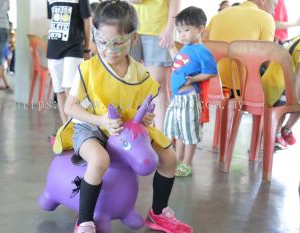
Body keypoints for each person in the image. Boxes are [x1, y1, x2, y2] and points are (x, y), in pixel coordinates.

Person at [59, 1, 193, 232]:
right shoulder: (88, 70)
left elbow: (144, 107)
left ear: (133, 38)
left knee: (169, 159)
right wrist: (101, 121)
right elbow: (71, 108)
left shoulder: (140, 72)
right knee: (99, 160)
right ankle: (84, 220)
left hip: (127, 129)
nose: (109, 49)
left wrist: (146, 120)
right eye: (102, 42)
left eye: (117, 43)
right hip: (92, 127)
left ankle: (158, 213)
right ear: (95, 36)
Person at [164, 7, 217, 177]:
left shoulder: (202, 51)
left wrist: (194, 79)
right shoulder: (186, 49)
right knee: (179, 131)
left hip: (189, 98)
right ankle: (178, 159)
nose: (182, 34)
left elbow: (212, 72)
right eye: (179, 31)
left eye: (186, 30)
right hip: (177, 98)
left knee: (189, 132)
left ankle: (187, 163)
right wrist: (171, 47)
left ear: (200, 29)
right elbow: (179, 65)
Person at [128, 0, 180, 132]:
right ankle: (136, 131)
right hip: (129, 27)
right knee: (131, 82)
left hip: (158, 30)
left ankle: (163, 135)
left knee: (157, 85)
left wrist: (170, 29)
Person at [46, 0, 92, 124]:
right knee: (59, 90)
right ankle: (66, 129)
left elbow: (87, 21)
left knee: (72, 90)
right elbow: (51, 22)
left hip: (74, 47)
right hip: (53, 49)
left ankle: (78, 128)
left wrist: (87, 47)